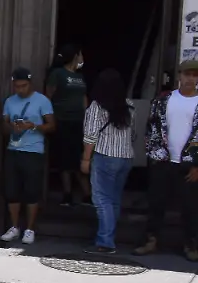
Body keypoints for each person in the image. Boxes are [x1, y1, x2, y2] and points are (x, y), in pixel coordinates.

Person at [135, 59, 198, 260]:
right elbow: (151, 129)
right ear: (179, 76)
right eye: (187, 74)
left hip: (189, 164)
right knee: (156, 204)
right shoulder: (163, 100)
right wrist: (153, 155)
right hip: (162, 161)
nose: (191, 78)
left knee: (190, 207)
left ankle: (191, 245)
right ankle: (150, 241)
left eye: (195, 75)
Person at [81, 69, 135, 254]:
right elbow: (133, 135)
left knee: (102, 199)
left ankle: (105, 242)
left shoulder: (97, 106)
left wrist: (86, 159)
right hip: (126, 158)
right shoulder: (129, 105)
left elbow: (90, 136)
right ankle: (108, 236)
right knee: (114, 200)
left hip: (105, 156)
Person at [0, 67, 56, 245]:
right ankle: (14, 227)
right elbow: (3, 126)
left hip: (33, 151)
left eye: (23, 86)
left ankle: (30, 229)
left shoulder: (42, 101)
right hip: (13, 150)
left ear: (30, 83)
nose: (20, 90)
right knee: (12, 191)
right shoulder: (10, 101)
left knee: (32, 192)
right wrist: (12, 128)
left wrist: (34, 126)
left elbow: (52, 126)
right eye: (17, 86)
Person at [46, 44, 91, 206]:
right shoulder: (57, 74)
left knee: (77, 157)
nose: (82, 58)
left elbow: (84, 97)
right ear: (74, 56)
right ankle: (68, 194)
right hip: (63, 120)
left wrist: (87, 116)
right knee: (66, 158)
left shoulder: (80, 76)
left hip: (79, 122)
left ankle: (86, 194)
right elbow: (48, 95)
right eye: (80, 55)